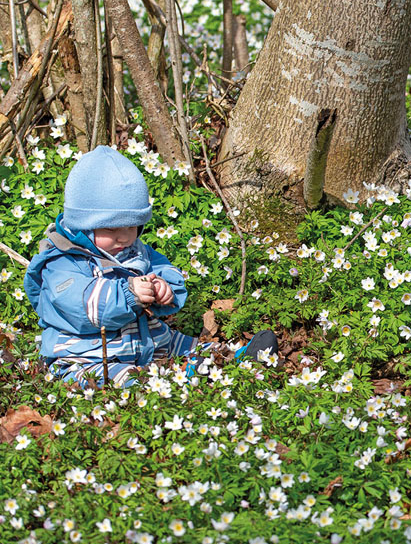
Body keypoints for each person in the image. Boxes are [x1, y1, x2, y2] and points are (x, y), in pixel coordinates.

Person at [23, 145, 276, 387]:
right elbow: (81, 303)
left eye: (132, 227)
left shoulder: (135, 250)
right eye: (112, 229)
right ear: (84, 226)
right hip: (87, 355)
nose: (124, 238)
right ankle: (175, 379)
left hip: (148, 342)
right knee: (116, 377)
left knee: (184, 344)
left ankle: (232, 358)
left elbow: (166, 270)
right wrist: (128, 293)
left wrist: (164, 287)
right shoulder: (62, 261)